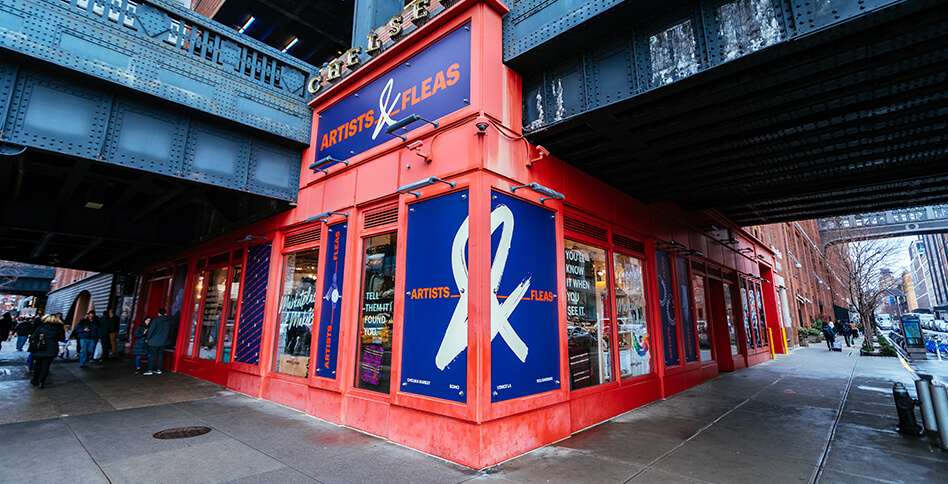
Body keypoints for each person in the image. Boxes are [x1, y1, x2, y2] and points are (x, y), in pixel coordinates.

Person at [29, 314, 66, 389]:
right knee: (46, 366)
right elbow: (62, 339)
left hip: (40, 348)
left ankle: (35, 380)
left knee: (37, 365)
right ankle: (41, 382)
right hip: (52, 349)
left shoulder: (42, 326)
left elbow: (34, 336)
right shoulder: (59, 328)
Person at [144, 308, 171, 375]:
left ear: (158, 313)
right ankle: (159, 369)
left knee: (153, 356)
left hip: (154, 341)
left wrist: (147, 338)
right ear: (165, 313)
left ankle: (150, 370)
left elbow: (151, 330)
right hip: (164, 341)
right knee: (160, 355)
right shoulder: (168, 321)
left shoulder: (156, 320)